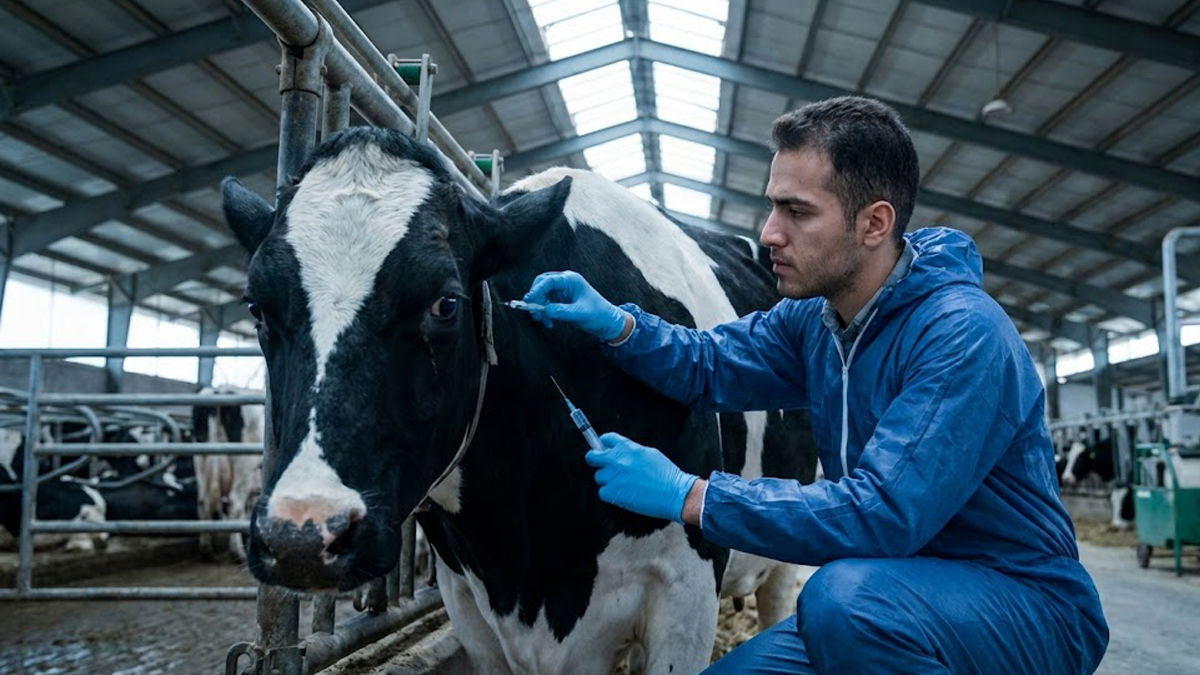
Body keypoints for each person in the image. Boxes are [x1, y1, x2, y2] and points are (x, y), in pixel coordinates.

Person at [520, 96, 1108, 674]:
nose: (769, 233)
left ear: (874, 223)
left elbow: (880, 514)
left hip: (1019, 604)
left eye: (796, 212)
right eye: (773, 207)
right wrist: (618, 323)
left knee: (838, 597)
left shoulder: (961, 335)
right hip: (891, 602)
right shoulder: (818, 320)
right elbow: (711, 364)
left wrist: (689, 495)